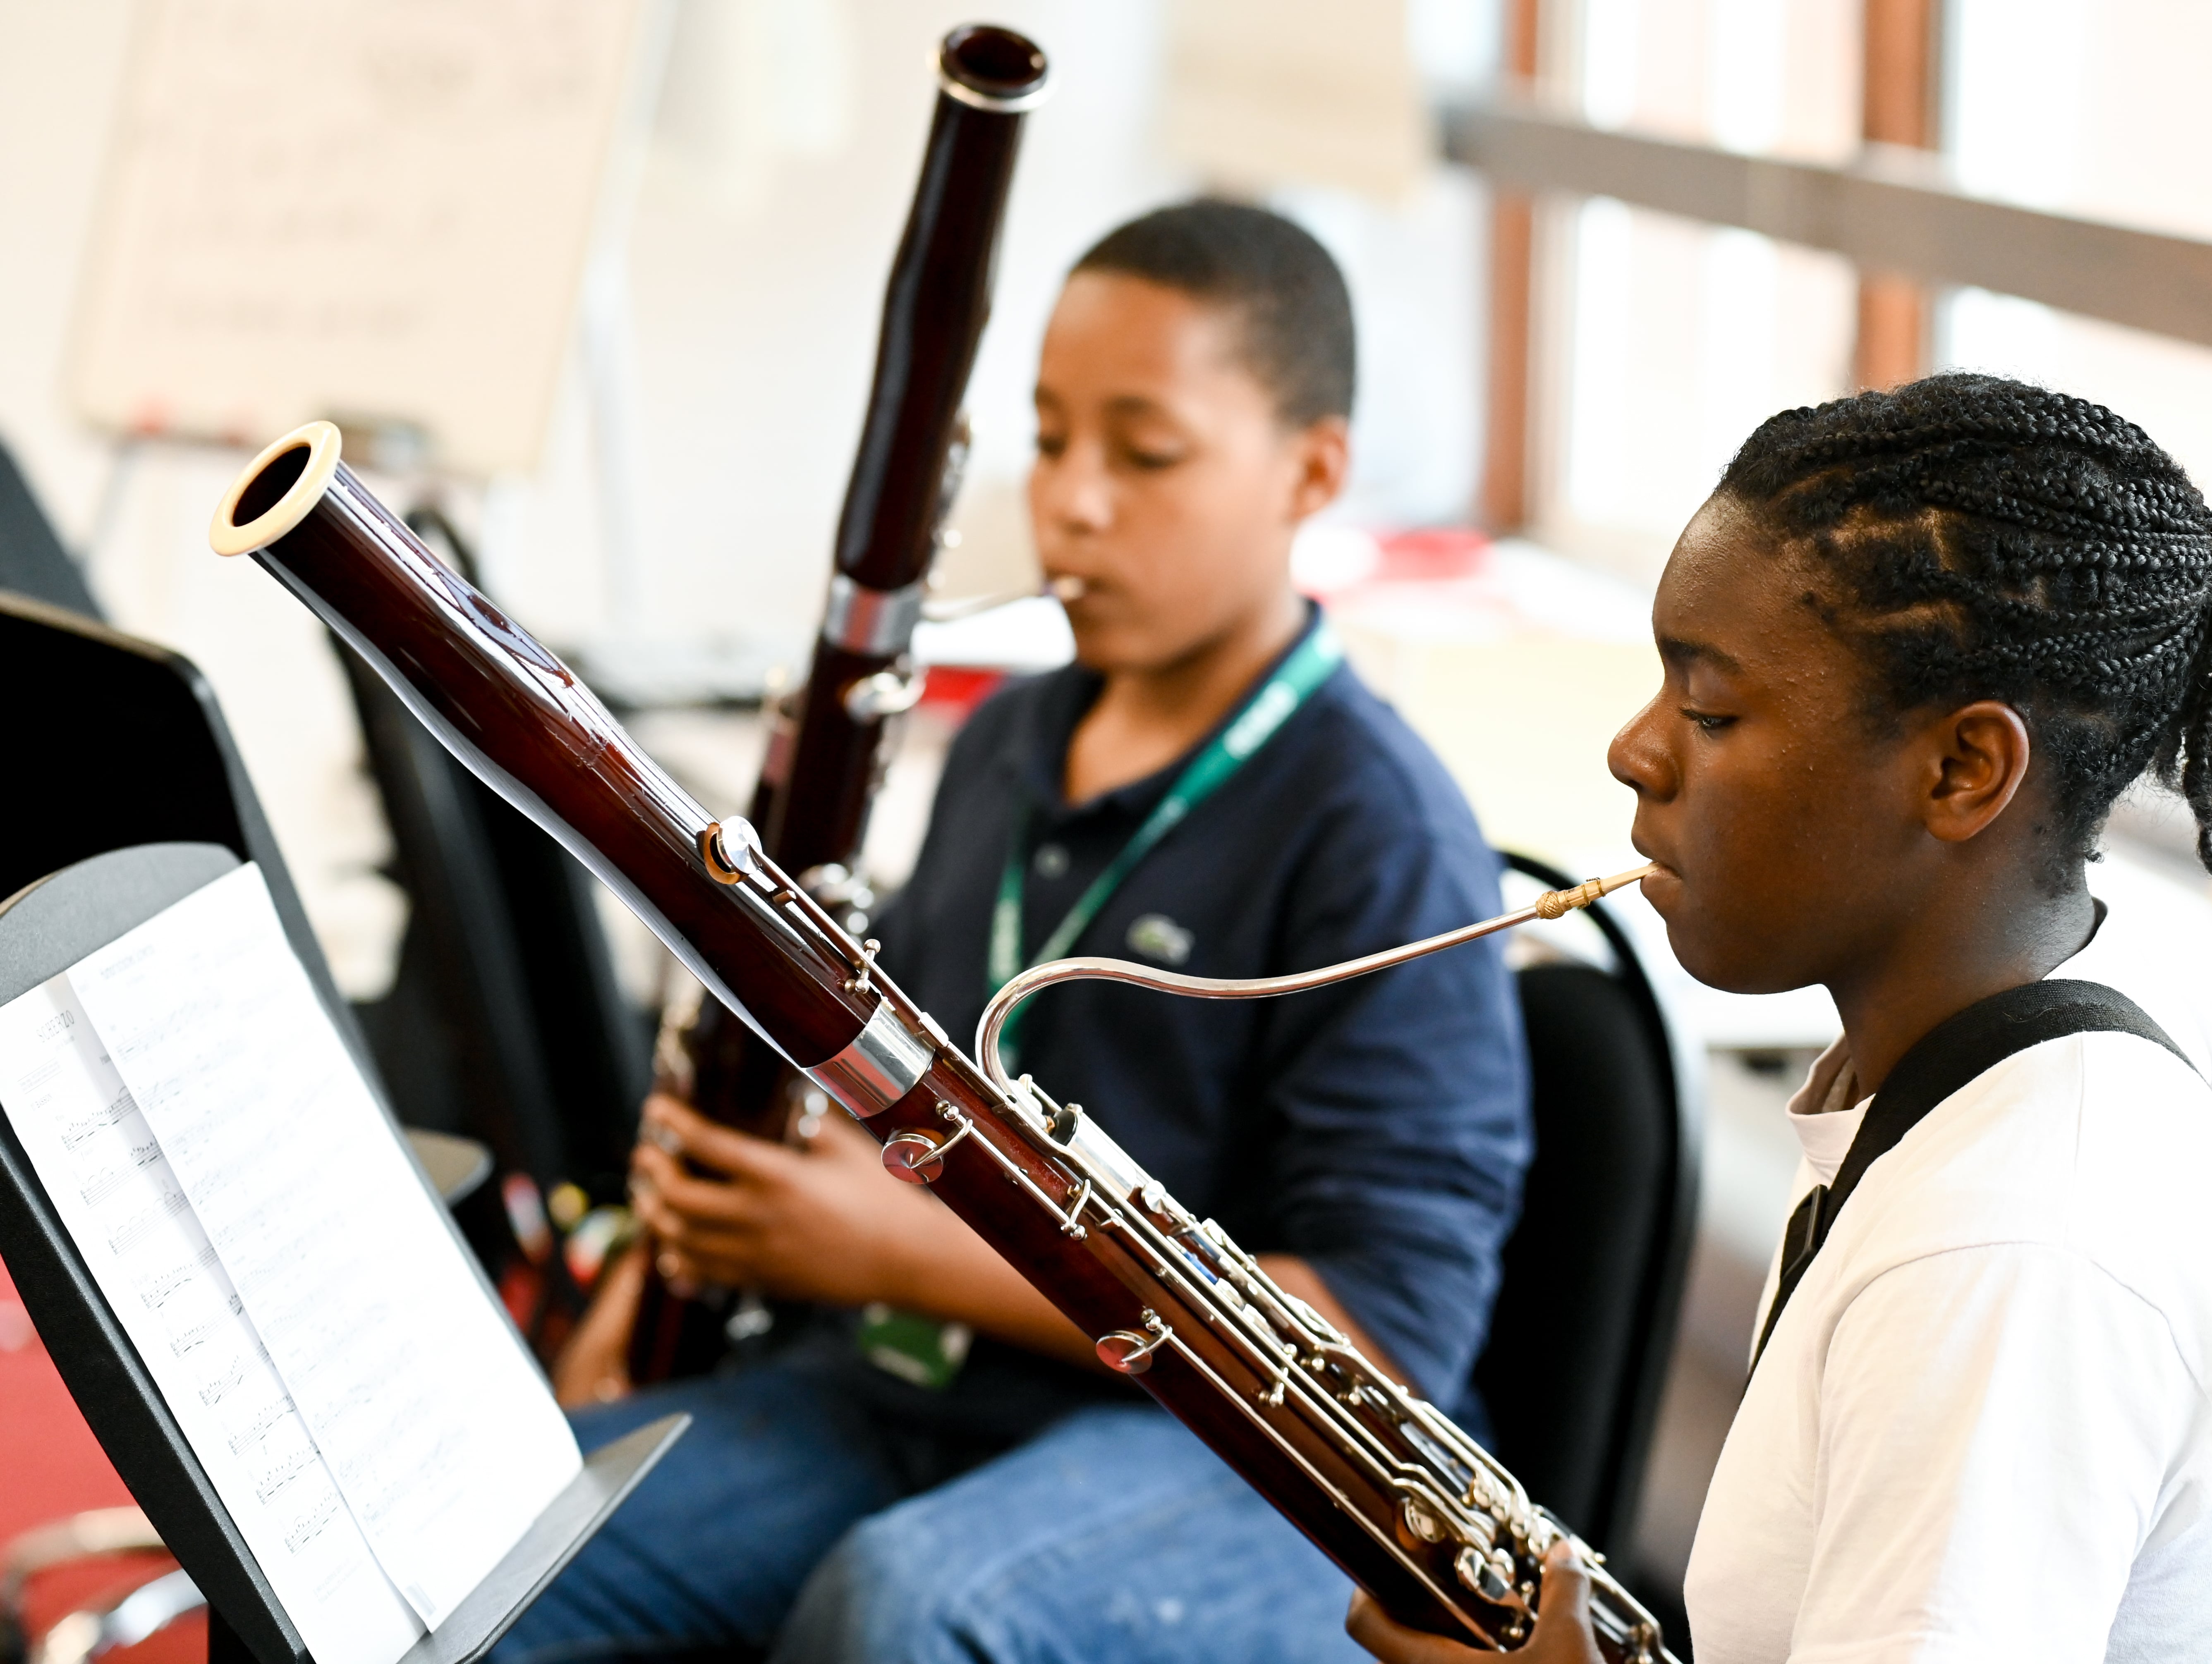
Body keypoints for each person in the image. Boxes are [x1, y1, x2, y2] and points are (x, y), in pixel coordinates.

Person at [496, 200, 1531, 1664]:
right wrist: (683, 1235)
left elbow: (1384, 1338)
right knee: (481, 1546)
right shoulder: (1006, 740)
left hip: (1236, 1468)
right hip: (915, 1390)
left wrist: (894, 1252)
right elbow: (893, 1092)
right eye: (1049, 442)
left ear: (1313, 472)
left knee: (912, 1611)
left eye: (1146, 454)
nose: (1073, 504)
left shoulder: (1383, 831)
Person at [1349, 373, 2212, 1662]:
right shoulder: (2095, 1009)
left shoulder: (2006, 1248)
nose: (1635, 752)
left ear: (1962, 771)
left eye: (1710, 711)